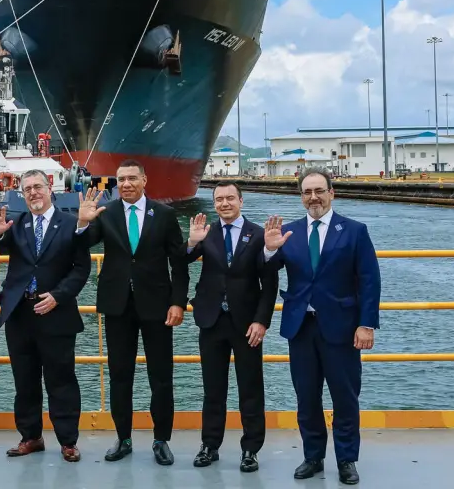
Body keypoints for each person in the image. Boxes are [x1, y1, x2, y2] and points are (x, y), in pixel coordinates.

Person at [264, 168, 381, 486]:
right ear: (300, 197)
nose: (313, 197)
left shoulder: (355, 231)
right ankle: (313, 456)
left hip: (342, 328)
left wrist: (366, 324)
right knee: (306, 397)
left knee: (345, 397)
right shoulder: (288, 233)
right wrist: (270, 249)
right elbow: (266, 271)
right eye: (306, 192)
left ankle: (346, 459)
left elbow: (369, 281)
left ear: (332, 193)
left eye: (319, 190)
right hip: (301, 327)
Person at [74, 160, 187, 466]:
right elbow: (83, 243)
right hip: (117, 306)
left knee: (161, 377)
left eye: (131, 179)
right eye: (121, 179)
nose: (125, 184)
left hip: (158, 306)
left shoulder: (164, 215)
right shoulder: (106, 213)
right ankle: (123, 437)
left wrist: (178, 302)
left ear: (144, 180)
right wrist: (82, 223)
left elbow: (178, 263)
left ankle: (161, 439)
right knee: (120, 376)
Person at [0, 169, 91, 462]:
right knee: (25, 379)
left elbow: (82, 268)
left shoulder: (71, 224)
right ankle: (30, 436)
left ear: (50, 189)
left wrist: (58, 296)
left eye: (38, 187)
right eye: (27, 189)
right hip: (20, 314)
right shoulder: (16, 224)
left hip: (55, 313)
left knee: (62, 379)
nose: (33, 193)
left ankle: (68, 441)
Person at [184, 182, 278, 473]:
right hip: (211, 321)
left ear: (241, 200)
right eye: (219, 199)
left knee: (250, 388)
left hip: (246, 323)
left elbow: (269, 283)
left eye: (230, 198)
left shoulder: (259, 235)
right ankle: (210, 445)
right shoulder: (206, 232)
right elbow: (181, 259)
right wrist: (190, 243)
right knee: (213, 388)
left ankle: (250, 449)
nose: (224, 203)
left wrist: (261, 321)